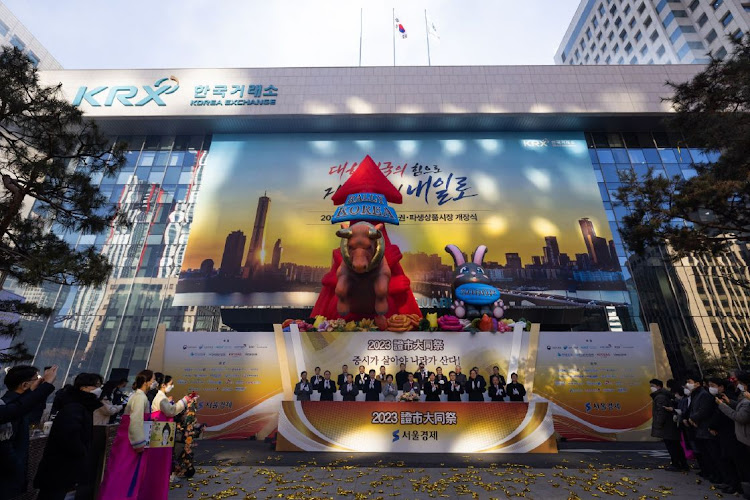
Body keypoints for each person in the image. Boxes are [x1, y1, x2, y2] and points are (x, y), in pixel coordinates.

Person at [33, 373, 102, 500]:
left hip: (64, 467)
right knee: (53, 494)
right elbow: (70, 436)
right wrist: (82, 452)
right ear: (83, 387)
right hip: (61, 466)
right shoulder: (74, 407)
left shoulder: (81, 406)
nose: (99, 389)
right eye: (96, 386)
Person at [0, 365, 57, 500]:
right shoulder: (7, 407)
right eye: (36, 378)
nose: (39, 380)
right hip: (7, 475)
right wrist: (46, 385)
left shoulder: (13, 403)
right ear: (24, 384)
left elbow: (23, 405)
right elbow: (18, 408)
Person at [98, 370, 156, 500]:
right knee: (125, 472)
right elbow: (135, 420)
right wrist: (139, 443)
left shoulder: (138, 396)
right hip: (131, 442)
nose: (154, 382)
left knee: (122, 471)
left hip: (128, 439)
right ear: (146, 382)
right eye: (153, 379)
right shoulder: (140, 397)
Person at [143, 375, 192, 496]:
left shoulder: (161, 397)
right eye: (171, 383)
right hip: (160, 435)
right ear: (163, 385)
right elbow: (171, 411)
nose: (172, 386)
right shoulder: (160, 397)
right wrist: (184, 400)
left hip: (162, 433)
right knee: (159, 461)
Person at [716, 371, 750, 498]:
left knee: (744, 465)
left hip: (745, 437)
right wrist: (730, 402)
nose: (738, 385)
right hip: (742, 437)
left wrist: (722, 405)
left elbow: (740, 416)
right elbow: (741, 408)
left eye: (740, 383)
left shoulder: (747, 399)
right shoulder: (744, 397)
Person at [707, 378, 744, 494]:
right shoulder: (718, 398)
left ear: (721, 387)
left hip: (729, 433)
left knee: (733, 460)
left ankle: (736, 485)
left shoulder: (725, 397)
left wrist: (712, 426)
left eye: (713, 385)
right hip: (724, 433)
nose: (710, 388)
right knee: (726, 459)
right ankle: (732, 483)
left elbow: (722, 414)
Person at [683, 375, 719, 483]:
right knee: (705, 454)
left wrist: (692, 418)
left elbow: (703, 410)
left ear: (697, 383)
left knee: (712, 454)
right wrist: (688, 418)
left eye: (689, 381)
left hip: (704, 428)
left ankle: (716, 475)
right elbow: (692, 410)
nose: (687, 384)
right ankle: (709, 473)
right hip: (697, 428)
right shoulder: (696, 394)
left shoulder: (704, 394)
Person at [649, 378, 688, 472]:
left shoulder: (660, 397)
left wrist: (658, 424)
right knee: (675, 445)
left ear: (658, 386)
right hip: (670, 425)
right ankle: (682, 464)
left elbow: (660, 412)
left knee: (672, 446)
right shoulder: (664, 395)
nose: (651, 388)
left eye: (652, 386)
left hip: (667, 426)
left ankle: (676, 464)